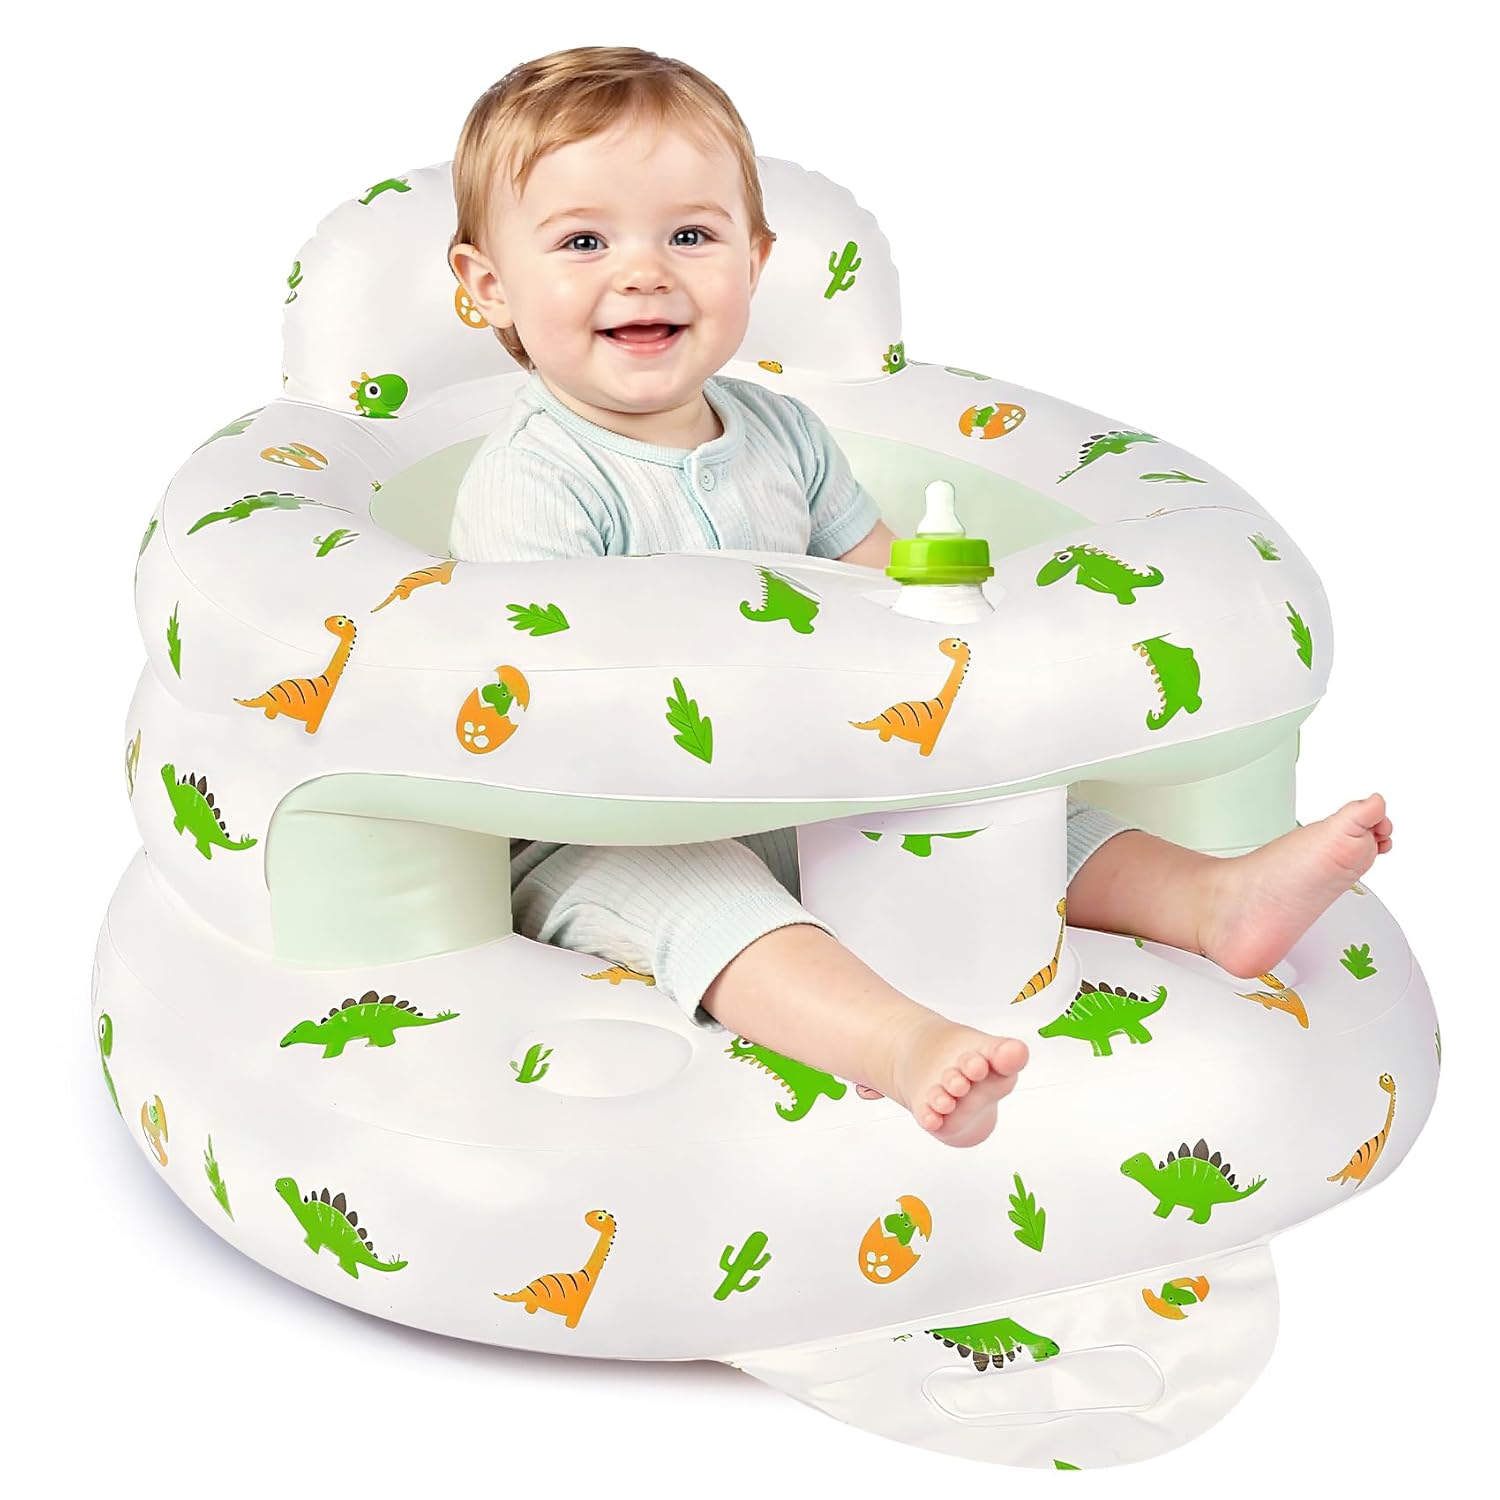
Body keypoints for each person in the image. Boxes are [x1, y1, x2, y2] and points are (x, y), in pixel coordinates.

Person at [446, 46, 1394, 1149]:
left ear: (755, 260)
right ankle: (897, 1044)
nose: (645, 272)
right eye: (584, 243)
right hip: (614, 828)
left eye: (691, 236)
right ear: (489, 286)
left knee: (1026, 818)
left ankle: (1211, 901)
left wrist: (957, 632)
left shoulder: (784, 434)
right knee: (708, 900)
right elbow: (550, 704)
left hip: (810, 781)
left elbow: (885, 587)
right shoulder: (536, 478)